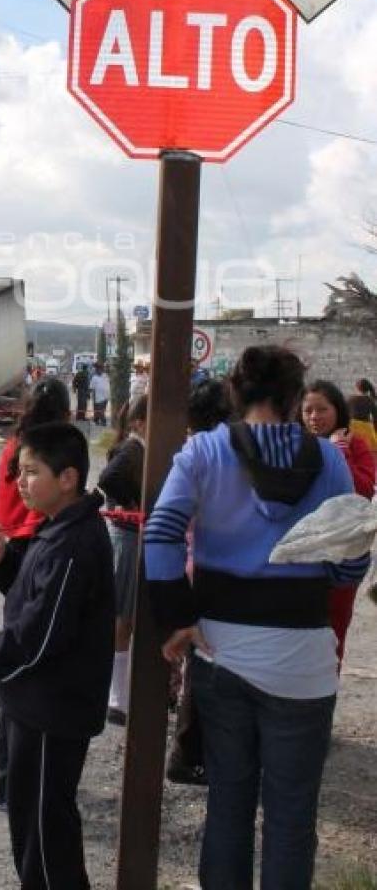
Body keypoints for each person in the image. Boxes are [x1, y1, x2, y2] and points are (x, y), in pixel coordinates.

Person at [145, 345, 370, 890]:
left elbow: (160, 534)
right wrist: (335, 573)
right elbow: (347, 561)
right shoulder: (331, 459)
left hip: (223, 650)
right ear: (296, 399)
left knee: (228, 805)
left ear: (234, 394)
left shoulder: (203, 452)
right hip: (304, 660)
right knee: (292, 818)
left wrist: (177, 618)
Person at [0, 421, 115, 890]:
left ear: (68, 478)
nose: (19, 482)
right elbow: (36, 600)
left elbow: (40, 633)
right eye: (19, 471)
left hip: (53, 709)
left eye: (31, 472)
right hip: (32, 702)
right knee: (30, 823)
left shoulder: (74, 542)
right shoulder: (56, 529)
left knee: (45, 834)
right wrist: (3, 564)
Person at [0, 375, 72, 810]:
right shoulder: (53, 451)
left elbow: (4, 504)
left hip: (11, 547)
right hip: (40, 547)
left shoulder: (13, 445)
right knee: (37, 659)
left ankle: (7, 779)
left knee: (19, 654)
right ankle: (21, 780)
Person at [166, 378, 234, 787]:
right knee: (201, 666)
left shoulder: (194, 452)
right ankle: (187, 754)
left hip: (192, 566)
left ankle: (190, 750)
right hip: (203, 570)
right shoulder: (216, 455)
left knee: (198, 663)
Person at [301, 379, 376, 665]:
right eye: (308, 410)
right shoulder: (298, 444)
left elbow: (364, 490)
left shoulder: (354, 443)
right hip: (304, 550)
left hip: (343, 554)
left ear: (338, 411)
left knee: (334, 630)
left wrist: (339, 453)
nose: (314, 417)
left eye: (322, 410)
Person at [97, 394, 147, 725]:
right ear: (140, 422)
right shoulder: (133, 449)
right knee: (122, 619)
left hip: (130, 535)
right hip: (126, 538)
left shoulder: (138, 448)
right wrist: (129, 504)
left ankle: (119, 693)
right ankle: (116, 696)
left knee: (125, 617)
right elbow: (107, 480)